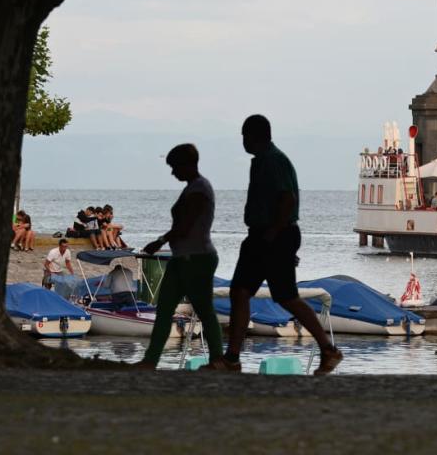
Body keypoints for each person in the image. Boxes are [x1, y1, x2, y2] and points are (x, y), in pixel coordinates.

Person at [224, 115, 342, 375]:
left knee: (284, 296)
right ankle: (231, 358)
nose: (243, 141)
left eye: (245, 136)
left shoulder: (271, 161)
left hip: (271, 235)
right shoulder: (266, 161)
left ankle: (328, 349)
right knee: (242, 292)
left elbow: (287, 198)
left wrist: (273, 234)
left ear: (255, 136)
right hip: (265, 235)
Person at [137, 143, 224, 370]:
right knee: (164, 309)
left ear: (187, 164)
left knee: (204, 309)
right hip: (181, 258)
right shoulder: (192, 188)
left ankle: (217, 359)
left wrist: (160, 241)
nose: (173, 172)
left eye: (175, 167)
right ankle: (150, 360)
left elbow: (186, 225)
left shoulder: (200, 189)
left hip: (197, 258)